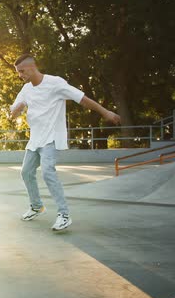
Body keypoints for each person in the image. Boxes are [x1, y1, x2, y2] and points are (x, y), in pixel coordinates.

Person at [10, 54, 121, 231]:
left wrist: (105, 112)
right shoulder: (26, 89)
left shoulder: (55, 83)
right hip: (35, 139)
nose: (20, 75)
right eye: (18, 72)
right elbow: (14, 110)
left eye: (22, 71)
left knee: (47, 172)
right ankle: (37, 206)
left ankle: (64, 215)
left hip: (52, 137)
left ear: (32, 67)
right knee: (26, 172)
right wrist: (15, 111)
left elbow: (83, 99)